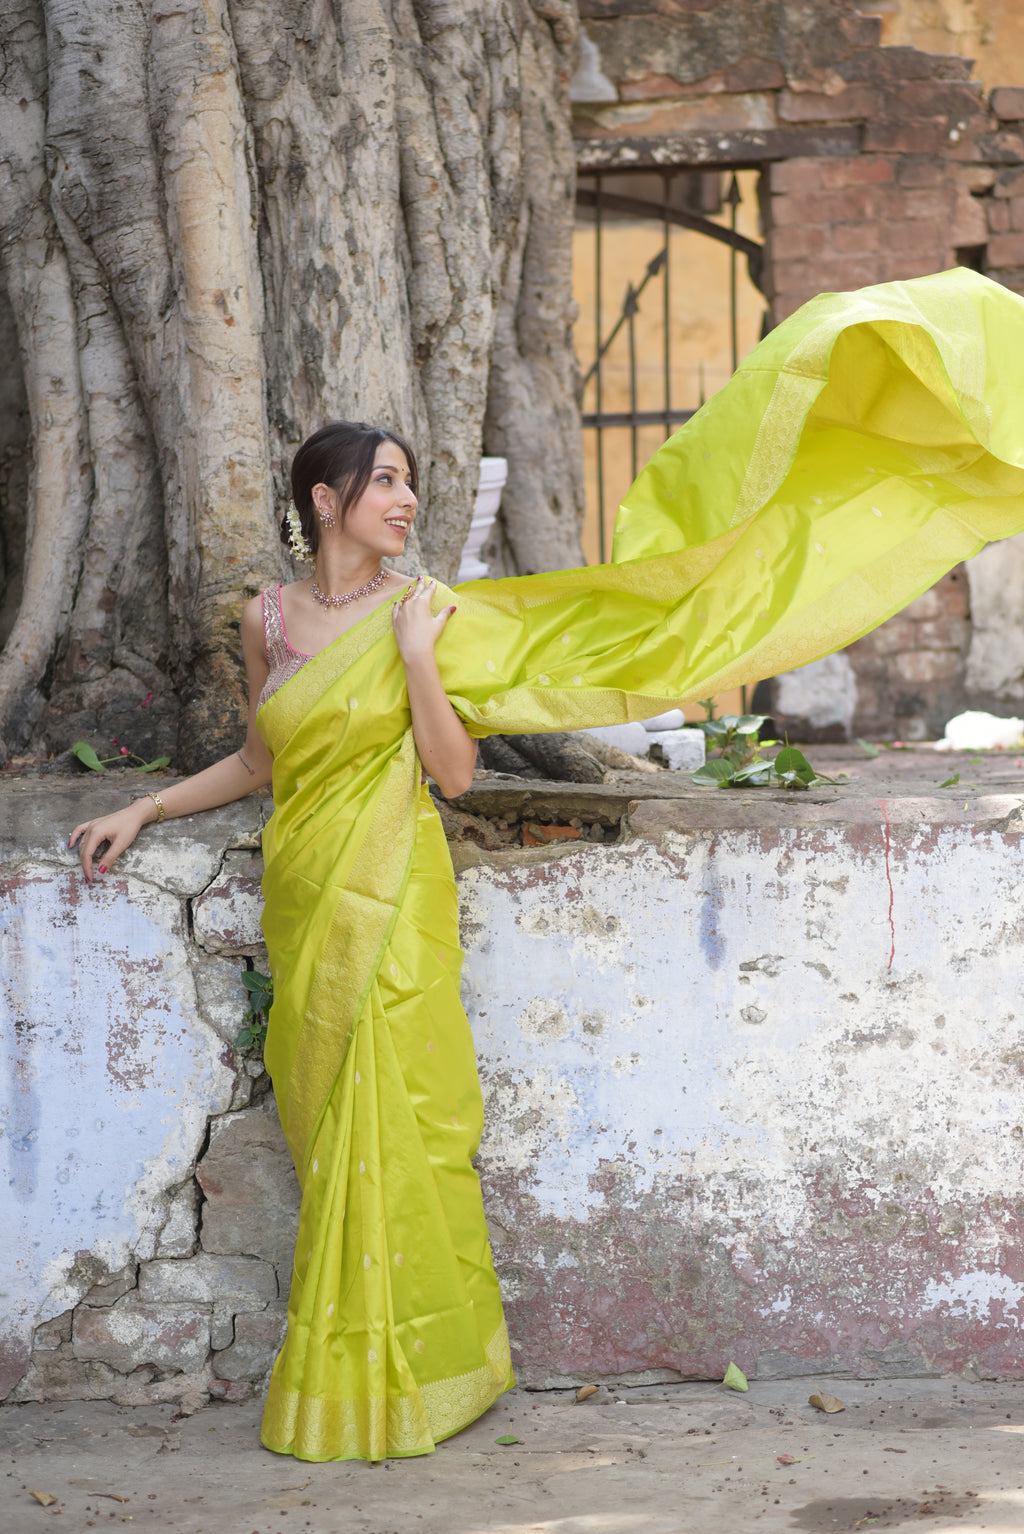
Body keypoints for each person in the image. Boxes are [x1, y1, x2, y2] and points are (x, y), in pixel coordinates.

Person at [69, 266, 1024, 1463]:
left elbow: (457, 774)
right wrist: (146, 806)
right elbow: (261, 760)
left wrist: (419, 652)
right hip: (306, 888)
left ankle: (415, 1377)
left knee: (405, 1126)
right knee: (330, 1133)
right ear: (325, 498)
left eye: (412, 481)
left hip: (395, 889)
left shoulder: (427, 611)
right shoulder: (265, 619)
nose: (407, 500)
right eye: (386, 482)